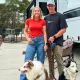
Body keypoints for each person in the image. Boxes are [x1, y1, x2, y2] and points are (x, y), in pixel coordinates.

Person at [20, 6, 48, 80]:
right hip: (31, 42)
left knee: (40, 62)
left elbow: (45, 33)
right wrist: (28, 38)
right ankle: (23, 78)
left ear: (40, 12)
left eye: (38, 11)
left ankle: (39, 78)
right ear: (33, 12)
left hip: (41, 41)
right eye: (35, 11)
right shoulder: (28, 20)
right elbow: (25, 31)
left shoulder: (43, 21)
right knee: (27, 60)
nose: (36, 12)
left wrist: (45, 43)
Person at [44, 0, 68, 79]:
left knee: (59, 62)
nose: (50, 7)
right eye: (49, 6)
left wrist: (54, 37)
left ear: (55, 6)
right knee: (50, 63)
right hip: (49, 44)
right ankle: (51, 78)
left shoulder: (60, 16)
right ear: (47, 7)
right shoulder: (46, 18)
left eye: (52, 6)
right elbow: (44, 32)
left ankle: (62, 77)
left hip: (57, 43)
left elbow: (64, 29)